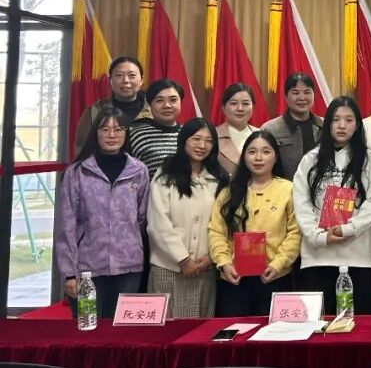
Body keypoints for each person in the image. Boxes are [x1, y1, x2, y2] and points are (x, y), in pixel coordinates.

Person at [292, 96, 371, 315]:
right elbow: (301, 204)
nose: (342, 125)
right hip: (317, 256)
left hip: (358, 256)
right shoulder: (310, 160)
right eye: (335, 119)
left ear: (358, 125)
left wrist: (348, 229)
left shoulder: (369, 159)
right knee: (319, 323)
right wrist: (319, 236)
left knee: (358, 324)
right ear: (327, 124)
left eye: (349, 120)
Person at [57, 106, 149, 319]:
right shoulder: (78, 172)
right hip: (87, 268)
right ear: (95, 134)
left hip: (128, 267)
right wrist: (70, 273)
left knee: (118, 329)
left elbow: (141, 217)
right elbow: (66, 225)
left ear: (126, 133)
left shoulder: (138, 171)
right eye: (105, 129)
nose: (111, 135)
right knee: (87, 324)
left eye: (118, 129)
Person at [209, 130, 300, 317]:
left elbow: (295, 232)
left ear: (276, 156)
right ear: (244, 156)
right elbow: (216, 231)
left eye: (266, 152)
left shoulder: (288, 189)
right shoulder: (228, 191)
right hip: (234, 279)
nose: (258, 157)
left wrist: (277, 264)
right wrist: (225, 263)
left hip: (275, 277)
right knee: (235, 331)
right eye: (252, 152)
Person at [147, 118, 229, 318]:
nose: (202, 145)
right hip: (168, 268)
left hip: (204, 269)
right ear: (184, 140)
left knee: (200, 330)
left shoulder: (220, 178)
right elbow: (158, 223)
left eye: (208, 141)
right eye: (196, 139)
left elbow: (225, 224)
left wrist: (211, 258)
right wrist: (183, 260)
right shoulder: (165, 175)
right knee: (167, 330)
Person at [73, 55, 145, 157]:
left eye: (132, 75)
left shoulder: (155, 111)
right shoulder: (95, 111)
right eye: (119, 75)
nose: (125, 80)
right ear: (110, 80)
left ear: (141, 80)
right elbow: (81, 151)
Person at [262, 72, 323, 179]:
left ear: (314, 95)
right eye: (295, 93)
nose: (302, 97)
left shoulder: (326, 125)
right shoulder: (270, 129)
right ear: (286, 97)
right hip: (284, 188)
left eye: (307, 92)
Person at [125, 78, 185, 177]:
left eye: (173, 100)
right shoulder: (136, 134)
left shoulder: (190, 134)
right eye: (159, 100)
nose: (167, 105)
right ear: (150, 105)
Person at [215, 82, 260, 176]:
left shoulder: (261, 135)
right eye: (234, 103)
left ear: (253, 107)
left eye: (245, 103)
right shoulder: (212, 136)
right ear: (223, 108)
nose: (240, 108)